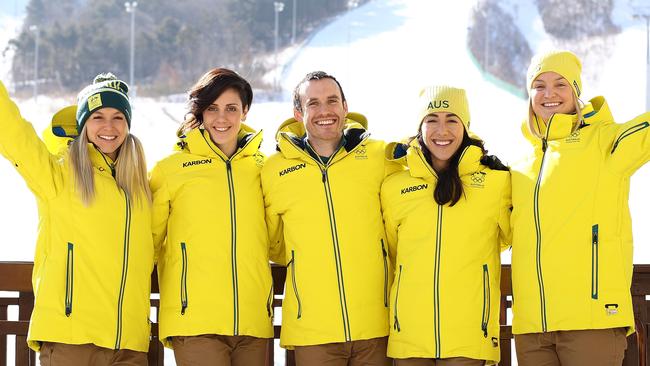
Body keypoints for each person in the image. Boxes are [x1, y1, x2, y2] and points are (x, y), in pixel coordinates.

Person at [0, 74, 153, 365]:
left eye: (118, 116)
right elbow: (13, 134)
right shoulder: (57, 176)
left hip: (128, 345)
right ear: (83, 125)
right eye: (98, 117)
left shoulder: (140, 190)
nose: (109, 126)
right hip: (71, 340)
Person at [511, 49, 650, 365]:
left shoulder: (606, 141)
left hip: (591, 320)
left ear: (576, 92)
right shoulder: (520, 166)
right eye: (539, 85)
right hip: (533, 328)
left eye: (560, 84)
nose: (549, 94)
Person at [260, 71, 397, 366]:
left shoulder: (379, 157)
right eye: (314, 103)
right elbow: (273, 242)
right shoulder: (274, 170)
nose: (325, 111)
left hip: (377, 322)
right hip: (313, 328)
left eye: (332, 101)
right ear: (298, 113)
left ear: (345, 107)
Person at [150, 68, 273, 366]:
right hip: (195, 321)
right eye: (212, 108)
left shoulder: (263, 169)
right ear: (201, 113)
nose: (222, 118)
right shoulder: (171, 170)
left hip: (253, 320)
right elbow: (147, 242)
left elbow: (278, 238)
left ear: (245, 111)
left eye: (231, 108)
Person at [380, 86, 511, 366]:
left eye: (452, 119)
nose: (442, 130)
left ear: (465, 126)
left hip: (470, 334)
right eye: (432, 119)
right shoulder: (395, 186)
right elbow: (393, 252)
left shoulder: (495, 182)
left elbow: (509, 238)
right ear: (420, 127)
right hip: (410, 335)